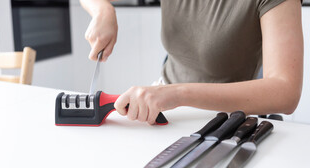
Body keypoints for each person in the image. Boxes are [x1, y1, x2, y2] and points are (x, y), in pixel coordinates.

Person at [80, 0, 303, 125]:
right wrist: (103, 11)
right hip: (162, 107)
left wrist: (178, 94)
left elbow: (285, 91)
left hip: (226, 120)